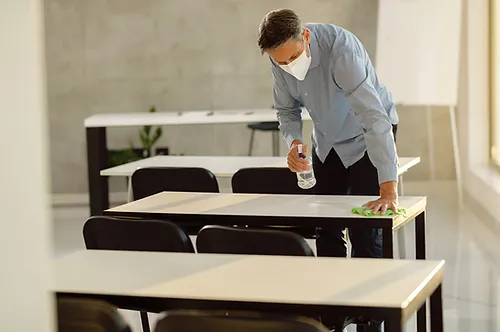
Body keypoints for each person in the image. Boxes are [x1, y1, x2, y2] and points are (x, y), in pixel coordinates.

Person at [258, 9, 400, 260]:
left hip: (367, 135)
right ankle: (332, 293)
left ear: (306, 36)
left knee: (364, 230)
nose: (288, 66)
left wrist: (388, 189)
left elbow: (373, 116)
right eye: (281, 62)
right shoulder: (278, 58)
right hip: (326, 138)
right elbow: (286, 110)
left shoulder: (341, 51)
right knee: (325, 225)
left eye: (293, 56)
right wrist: (294, 143)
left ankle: (372, 298)